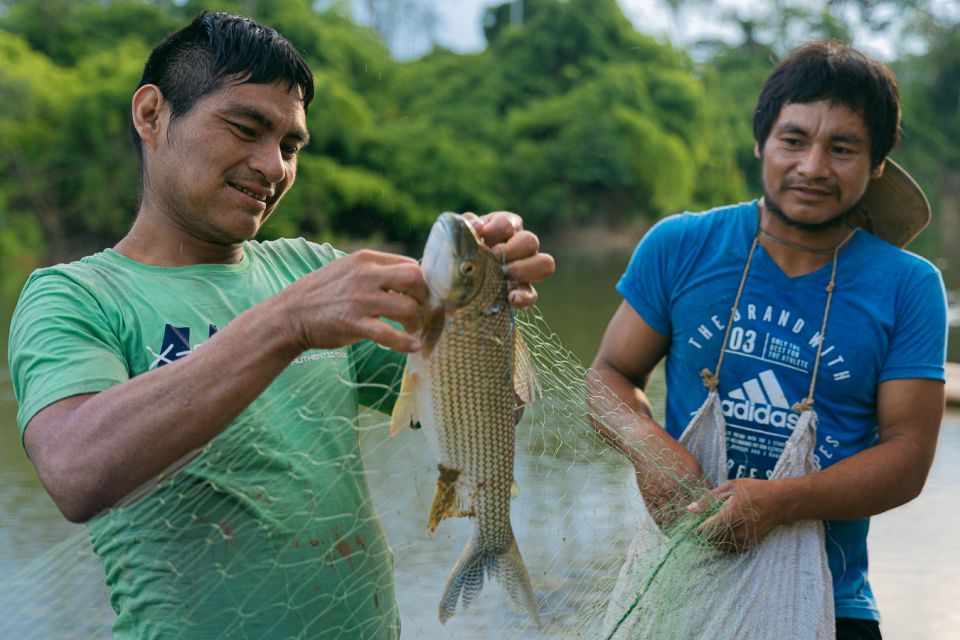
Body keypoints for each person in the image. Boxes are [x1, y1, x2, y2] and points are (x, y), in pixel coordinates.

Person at [7, 11, 554, 639]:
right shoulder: (75, 297)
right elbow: (76, 473)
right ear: (152, 114)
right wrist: (284, 323)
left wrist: (482, 308)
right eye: (246, 128)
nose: (272, 167)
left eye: (291, 146)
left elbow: (472, 412)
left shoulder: (311, 268)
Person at [591, 40, 947, 639]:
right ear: (761, 142)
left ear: (877, 163)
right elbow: (608, 376)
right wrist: (648, 447)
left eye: (842, 148)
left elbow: (908, 458)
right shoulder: (681, 245)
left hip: (830, 605)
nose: (812, 166)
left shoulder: (909, 286)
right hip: (684, 580)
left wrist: (782, 502)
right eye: (793, 140)